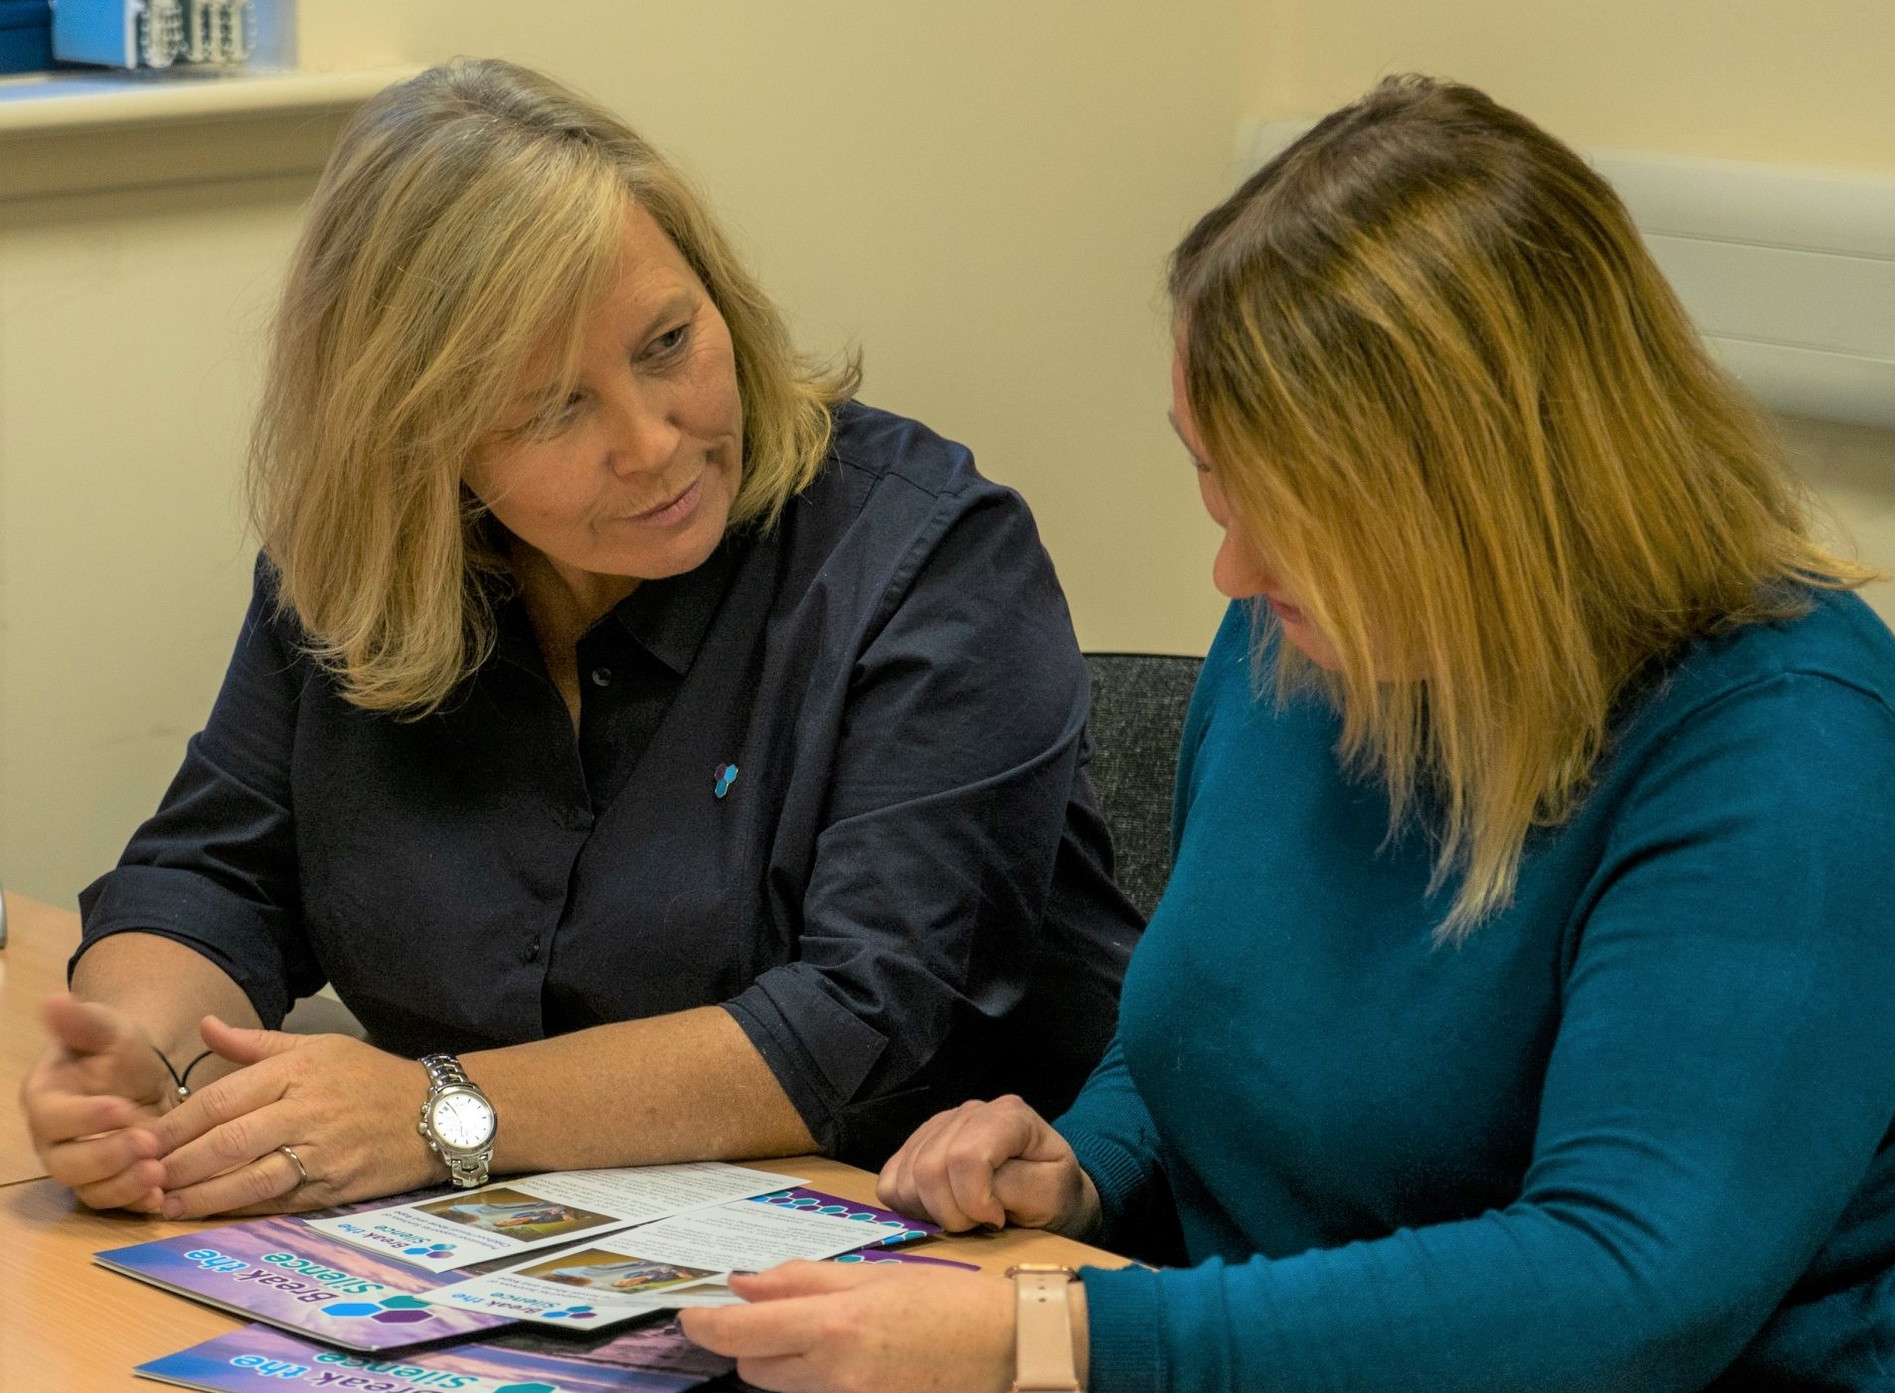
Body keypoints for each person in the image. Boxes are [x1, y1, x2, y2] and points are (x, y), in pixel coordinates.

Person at [678, 76, 1895, 1393]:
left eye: (1295, 509)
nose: (1234, 571)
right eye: (1212, 481)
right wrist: (1089, 1165)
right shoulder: (1303, 637)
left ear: (1487, 497)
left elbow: (1622, 1282)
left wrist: (1048, 1353)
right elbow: (1211, 1040)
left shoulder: (1788, 745)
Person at [19, 59, 1137, 1220]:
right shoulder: (368, 569)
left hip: (937, 1253)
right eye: (555, 407)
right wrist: (134, 1068)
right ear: (419, 442)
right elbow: (212, 875)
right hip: (518, 1246)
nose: (651, 443)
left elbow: (861, 1020)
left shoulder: (928, 558)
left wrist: (439, 1114)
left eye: (666, 342)